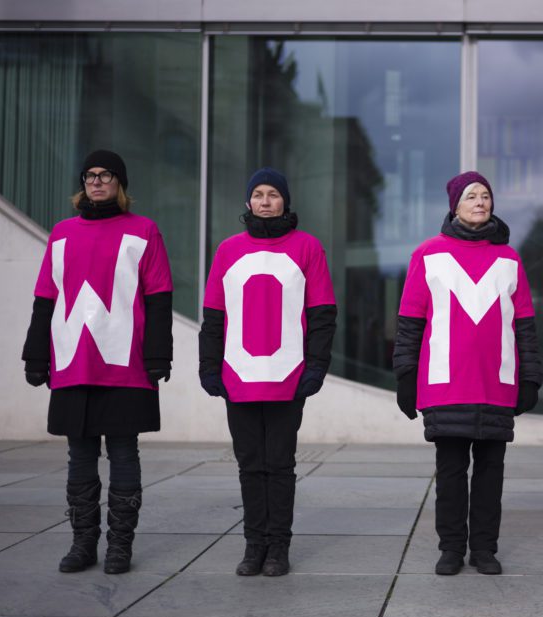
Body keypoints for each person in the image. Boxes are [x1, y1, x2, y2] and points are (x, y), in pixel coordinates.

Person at [22, 150, 173, 574]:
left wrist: (159, 352)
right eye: (89, 175)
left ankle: (120, 547)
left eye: (105, 175)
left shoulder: (143, 231)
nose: (96, 181)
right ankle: (83, 544)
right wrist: (36, 354)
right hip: (73, 359)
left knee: (124, 452)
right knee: (79, 455)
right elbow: (44, 300)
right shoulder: (62, 233)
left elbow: (160, 298)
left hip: (124, 362)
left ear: (119, 183)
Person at [393, 171, 542, 576]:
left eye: (485, 196)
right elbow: (409, 321)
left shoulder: (510, 259)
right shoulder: (428, 254)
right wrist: (406, 374)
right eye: (471, 196)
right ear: (454, 205)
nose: (480, 202)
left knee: (492, 473)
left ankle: (484, 549)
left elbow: (524, 324)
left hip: (498, 382)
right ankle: (451, 548)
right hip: (446, 383)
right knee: (451, 472)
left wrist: (530, 376)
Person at [199, 167, 336, 577]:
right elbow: (213, 317)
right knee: (249, 464)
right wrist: (209, 366)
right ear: (248, 202)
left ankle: (278, 547)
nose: (264, 200)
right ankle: (253, 545)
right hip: (238, 377)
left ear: (285, 201)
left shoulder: (307, 247)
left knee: (280, 464)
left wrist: (316, 367)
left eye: (272, 193)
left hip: (287, 378)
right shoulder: (227, 250)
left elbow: (323, 314)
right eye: (257, 193)